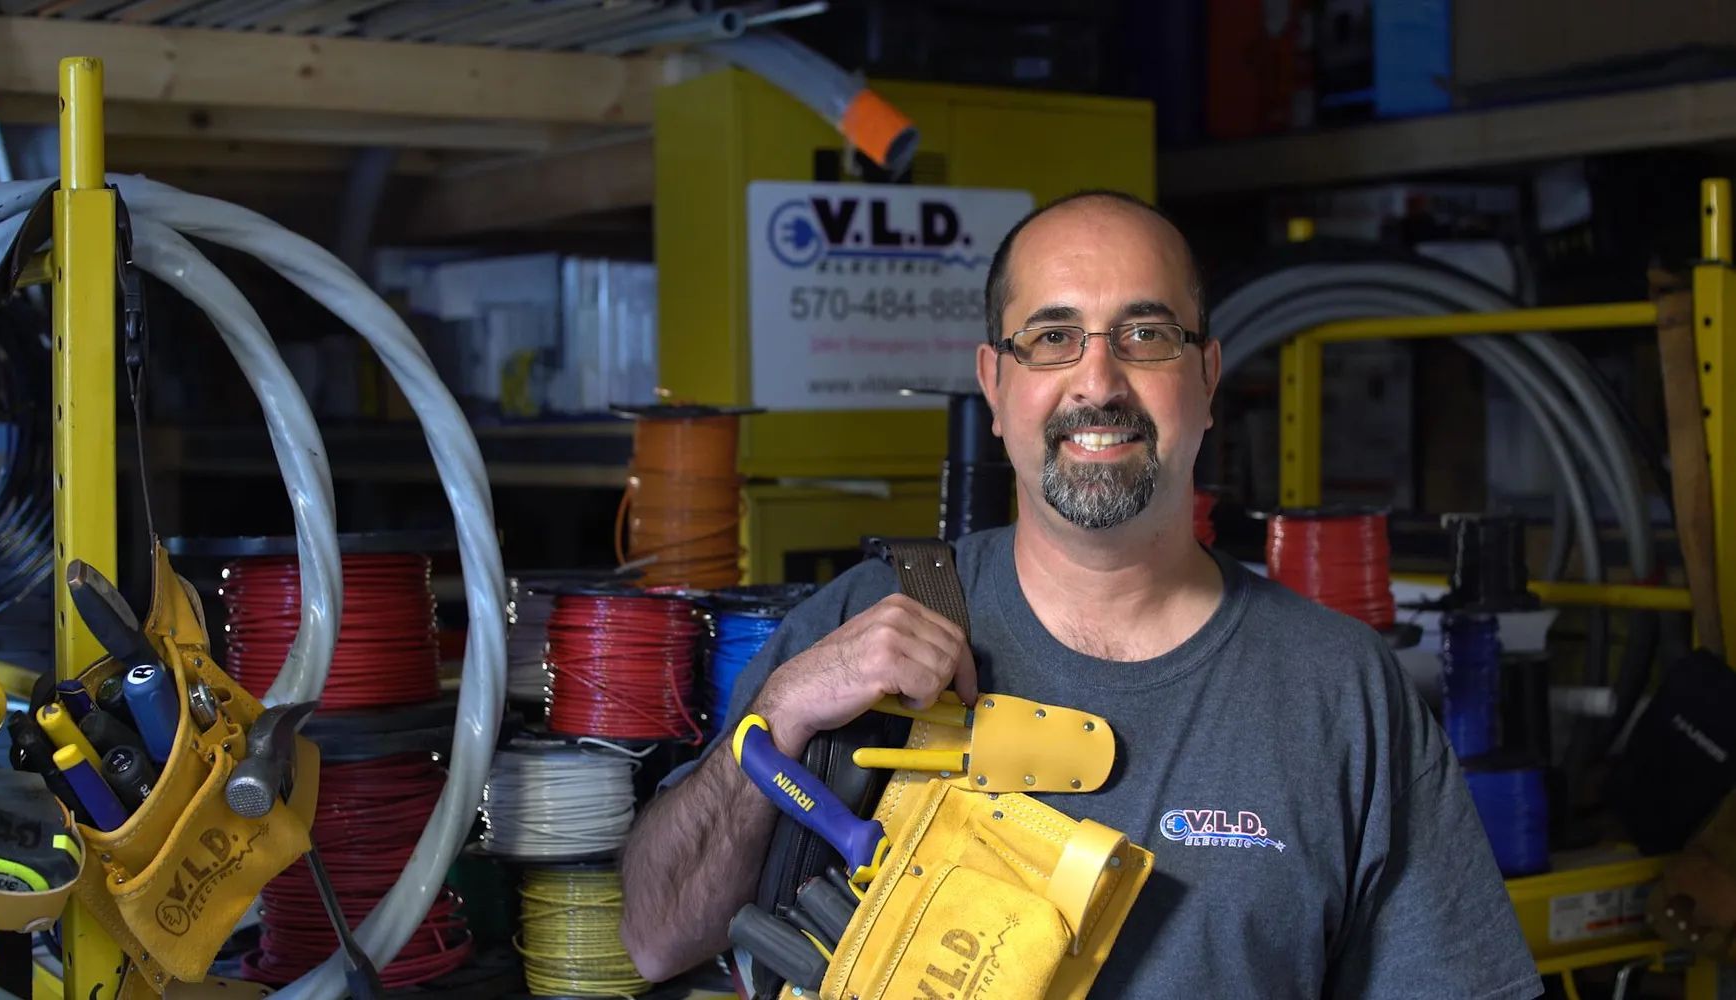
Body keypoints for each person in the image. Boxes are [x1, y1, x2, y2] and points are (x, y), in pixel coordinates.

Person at [619, 190, 1541, 998]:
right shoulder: (863, 623)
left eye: (1145, 334)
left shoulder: (1340, 692)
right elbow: (657, 938)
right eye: (1053, 337)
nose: (1098, 383)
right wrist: (777, 723)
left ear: (1208, 379)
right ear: (995, 384)